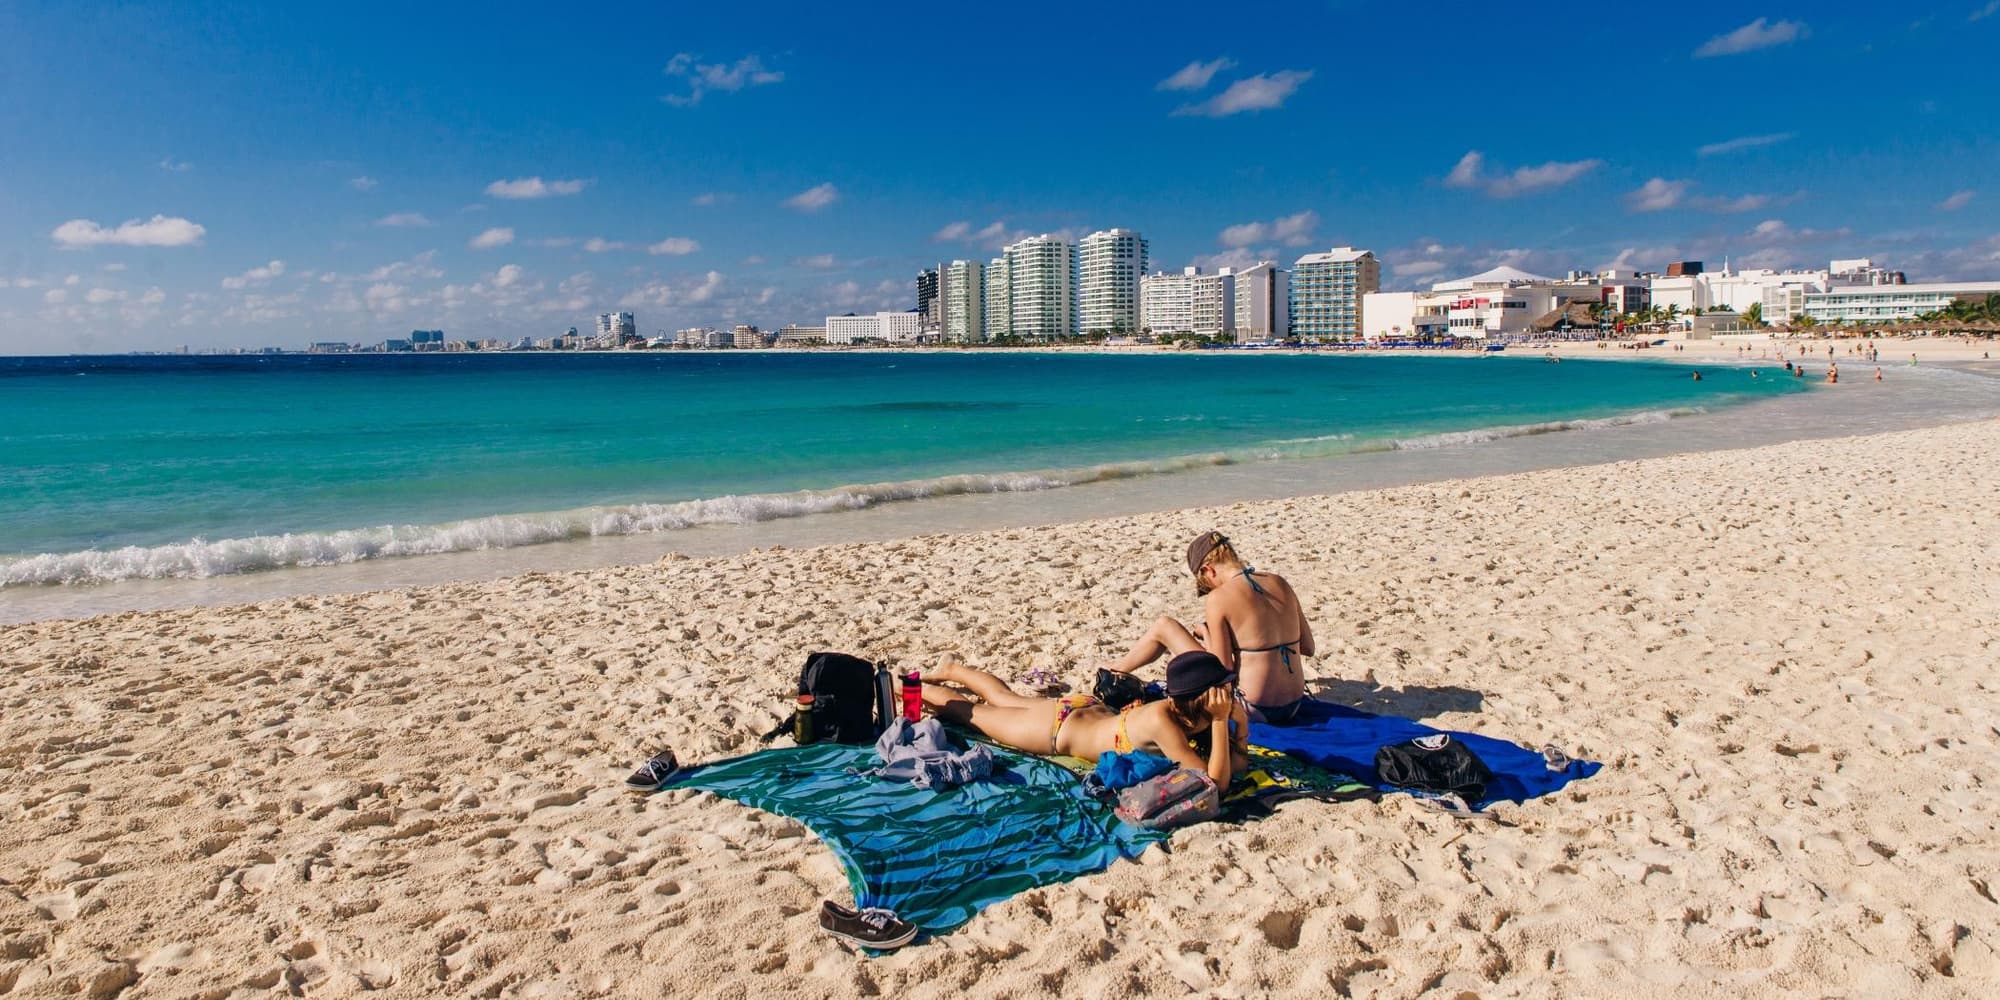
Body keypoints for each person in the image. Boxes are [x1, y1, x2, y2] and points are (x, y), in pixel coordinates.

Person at [920, 650, 1247, 785]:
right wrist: (1221, 723)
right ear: (1204, 696)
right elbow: (1214, 783)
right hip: (1056, 730)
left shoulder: (1188, 715)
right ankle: (902, 685)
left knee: (1005, 699)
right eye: (1224, 687)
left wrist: (1239, 730)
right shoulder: (1165, 721)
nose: (1230, 692)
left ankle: (952, 670)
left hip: (1082, 711)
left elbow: (1234, 768)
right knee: (971, 713)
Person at [1103, 531, 1316, 724]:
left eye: (1205, 583)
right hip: (1294, 704)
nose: (1209, 588)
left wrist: (1207, 633)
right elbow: (1308, 647)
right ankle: (1117, 670)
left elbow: (1221, 670)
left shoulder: (1219, 598)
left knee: (1164, 626)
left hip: (1253, 708)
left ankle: (1114, 672)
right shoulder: (1279, 582)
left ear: (1208, 570)